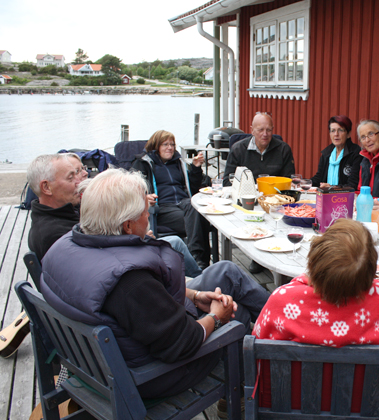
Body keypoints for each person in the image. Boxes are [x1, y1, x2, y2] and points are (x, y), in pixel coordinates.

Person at [40, 169, 270, 399]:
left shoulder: (64, 247)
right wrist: (216, 317)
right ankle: (245, 392)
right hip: (150, 376)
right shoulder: (130, 281)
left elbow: (141, 303)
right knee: (236, 317)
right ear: (127, 226)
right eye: (145, 211)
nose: (148, 216)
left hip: (103, 359)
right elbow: (183, 343)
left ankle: (277, 322)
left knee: (225, 271)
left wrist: (194, 295)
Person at [254, 219, 379, 415]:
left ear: (315, 260)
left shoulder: (281, 301)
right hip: (365, 410)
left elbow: (259, 360)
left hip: (290, 409)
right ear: (371, 268)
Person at [27, 153, 203, 278]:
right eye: (71, 177)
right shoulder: (54, 235)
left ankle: (197, 281)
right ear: (46, 187)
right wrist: (139, 243)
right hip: (126, 271)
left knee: (176, 242)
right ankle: (199, 283)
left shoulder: (63, 213)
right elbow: (101, 267)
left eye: (79, 172)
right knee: (220, 269)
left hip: (123, 260)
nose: (80, 180)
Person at [132, 130, 211, 269]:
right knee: (200, 218)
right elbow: (130, 188)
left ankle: (197, 259)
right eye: (165, 144)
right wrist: (143, 197)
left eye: (172, 144)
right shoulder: (143, 164)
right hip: (162, 207)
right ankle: (199, 259)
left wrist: (195, 168)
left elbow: (191, 188)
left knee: (195, 209)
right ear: (156, 146)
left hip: (184, 203)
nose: (170, 147)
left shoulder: (178, 163)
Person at [222, 112, 295, 186]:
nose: (265, 134)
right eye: (260, 130)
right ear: (252, 130)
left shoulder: (283, 149)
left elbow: (289, 180)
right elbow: (227, 181)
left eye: (268, 130)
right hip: (245, 195)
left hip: (274, 194)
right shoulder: (238, 149)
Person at [310, 115, 361, 189]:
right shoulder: (326, 154)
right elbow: (319, 178)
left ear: (348, 134)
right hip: (325, 195)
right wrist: (304, 183)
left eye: (340, 130)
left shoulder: (356, 153)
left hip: (346, 198)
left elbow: (353, 184)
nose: (336, 134)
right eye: (333, 130)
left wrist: (332, 188)